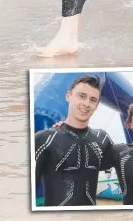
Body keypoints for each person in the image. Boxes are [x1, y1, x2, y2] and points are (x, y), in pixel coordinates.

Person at [34, 76, 113, 207]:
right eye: (82, 96)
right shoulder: (44, 139)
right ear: (68, 96)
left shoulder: (103, 139)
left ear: (97, 105)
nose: (87, 104)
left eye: (93, 100)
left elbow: (131, 154)